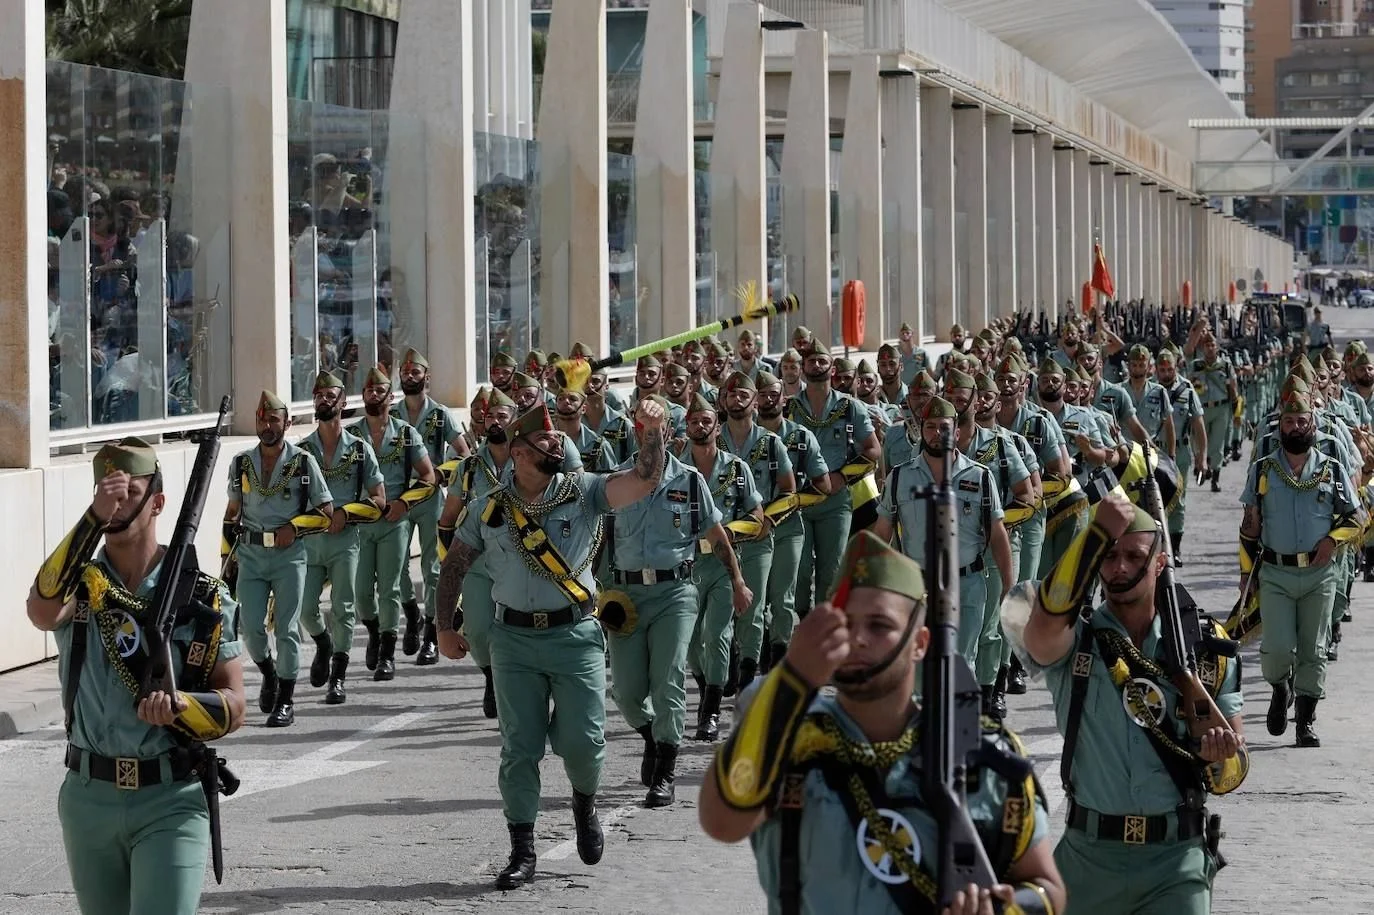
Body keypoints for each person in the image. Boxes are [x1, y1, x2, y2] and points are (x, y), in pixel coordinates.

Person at [699, 530, 1065, 915]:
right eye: (844, 622)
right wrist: (792, 679)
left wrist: (999, 909)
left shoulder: (982, 754)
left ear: (920, 643)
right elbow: (722, 821)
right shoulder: (787, 733)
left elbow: (1047, 888)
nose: (857, 638)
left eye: (878, 626)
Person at [433, 398, 672, 889]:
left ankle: (585, 804)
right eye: (544, 440)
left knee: (582, 744)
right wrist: (443, 625)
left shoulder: (585, 492)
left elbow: (644, 478)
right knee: (519, 749)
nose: (557, 442)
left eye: (557, 437)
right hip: (512, 641)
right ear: (519, 453)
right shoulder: (490, 508)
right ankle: (522, 848)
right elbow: (454, 564)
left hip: (574, 637)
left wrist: (653, 429)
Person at [30, 437, 247, 914]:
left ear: (159, 503)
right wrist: (91, 520)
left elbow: (234, 704)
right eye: (106, 489)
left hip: (170, 796)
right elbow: (43, 609)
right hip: (90, 797)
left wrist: (182, 708)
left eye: (129, 489)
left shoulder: (202, 594)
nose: (116, 498)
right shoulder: (83, 585)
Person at [1026, 491, 1247, 912]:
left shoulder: (1204, 649)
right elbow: (1046, 620)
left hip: (1176, 863)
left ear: (1159, 563)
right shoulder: (1075, 641)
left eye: (1133, 555)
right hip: (1086, 859)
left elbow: (1234, 769)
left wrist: (1219, 753)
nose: (1119, 567)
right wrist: (1093, 534)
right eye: (1108, 556)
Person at [601, 394, 752, 807]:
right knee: (627, 692)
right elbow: (599, 542)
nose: (653, 435)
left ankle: (665, 771)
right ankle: (652, 734)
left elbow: (717, 536)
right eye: (645, 428)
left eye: (660, 428)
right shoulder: (616, 482)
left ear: (670, 433)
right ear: (636, 431)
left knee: (668, 677)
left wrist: (737, 580)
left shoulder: (689, 481)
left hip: (675, 592)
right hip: (626, 595)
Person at [1240, 391, 1364, 747]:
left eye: (1302, 421)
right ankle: (1281, 687)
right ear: (1280, 425)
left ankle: (1306, 722)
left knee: (1314, 649)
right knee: (1277, 648)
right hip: (1276, 573)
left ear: (1313, 424)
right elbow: (1250, 526)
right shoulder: (1262, 470)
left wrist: (1332, 540)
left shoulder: (1332, 467)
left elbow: (1356, 518)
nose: (1296, 427)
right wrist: (1245, 575)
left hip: (1319, 574)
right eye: (1289, 422)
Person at [873, 396, 1010, 669]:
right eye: (931, 427)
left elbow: (997, 534)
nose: (938, 434)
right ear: (921, 432)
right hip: (917, 586)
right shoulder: (899, 478)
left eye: (944, 427)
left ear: (957, 433)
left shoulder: (980, 477)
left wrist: (1008, 585)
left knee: (961, 665)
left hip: (967, 584)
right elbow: (882, 532)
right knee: (919, 664)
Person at [223, 391, 332, 727]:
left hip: (289, 557)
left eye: (274, 419)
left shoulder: (303, 462)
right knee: (251, 629)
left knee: (286, 629)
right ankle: (269, 673)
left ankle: (286, 699)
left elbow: (326, 513)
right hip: (251, 556)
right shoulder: (241, 462)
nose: (267, 425)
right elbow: (232, 514)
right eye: (262, 419)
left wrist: (296, 526)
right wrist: (226, 564)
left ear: (287, 422)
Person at [681, 392, 767, 739]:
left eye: (706, 421)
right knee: (689, 642)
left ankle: (711, 712)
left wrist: (726, 532)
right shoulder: (675, 468)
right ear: (685, 427)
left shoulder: (737, 469)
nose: (700, 426)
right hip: (684, 566)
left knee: (715, 634)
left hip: (721, 563)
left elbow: (757, 518)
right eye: (694, 421)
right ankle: (707, 690)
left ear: (718, 427)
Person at [298, 371, 386, 704]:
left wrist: (346, 513)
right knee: (306, 610)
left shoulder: (360, 450)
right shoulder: (303, 450)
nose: (323, 399)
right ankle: (323, 643)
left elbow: (380, 499)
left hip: (345, 543)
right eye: (318, 394)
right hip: (310, 543)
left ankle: (338, 676)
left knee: (343, 608)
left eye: (329, 394)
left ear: (342, 402)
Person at [349, 368, 436, 681]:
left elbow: (428, 475)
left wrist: (404, 503)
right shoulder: (352, 435)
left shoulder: (405, 433)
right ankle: (373, 631)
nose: (374, 395)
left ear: (390, 396)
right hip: (360, 523)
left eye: (380, 390)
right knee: (361, 593)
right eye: (369, 390)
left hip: (393, 522)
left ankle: (387, 651)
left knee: (389, 588)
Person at [437, 388, 519, 718]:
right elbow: (447, 520)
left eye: (503, 416)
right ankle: (489, 675)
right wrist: (451, 561)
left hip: (522, 562)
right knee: (478, 629)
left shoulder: (529, 461)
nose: (496, 422)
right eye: (490, 417)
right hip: (478, 564)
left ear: (515, 421)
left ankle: (517, 682)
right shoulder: (468, 468)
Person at [788, 333, 880, 615]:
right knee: (799, 572)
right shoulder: (789, 408)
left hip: (836, 502)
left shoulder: (851, 407)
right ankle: (801, 629)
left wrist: (841, 478)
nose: (816, 365)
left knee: (833, 570)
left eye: (822, 361)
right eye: (811, 361)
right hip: (800, 502)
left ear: (832, 368)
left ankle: (828, 630)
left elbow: (873, 450)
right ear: (803, 368)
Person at [720, 371, 796, 693]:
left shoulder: (771, 443)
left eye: (744, 395)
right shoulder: (711, 440)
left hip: (757, 538)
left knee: (754, 607)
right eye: (732, 395)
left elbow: (789, 492)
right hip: (718, 540)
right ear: (723, 401)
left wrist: (768, 522)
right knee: (718, 611)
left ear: (754, 402)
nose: (737, 400)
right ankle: (721, 667)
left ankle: (748, 677)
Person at [393, 349, 469, 663]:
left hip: (430, 497)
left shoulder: (440, 415)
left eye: (416, 372)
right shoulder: (392, 414)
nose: (410, 377)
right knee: (395, 567)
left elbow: (463, 454)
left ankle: (431, 635)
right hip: (398, 499)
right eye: (406, 372)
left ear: (428, 376)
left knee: (433, 569)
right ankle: (411, 615)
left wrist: (439, 472)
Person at [756, 370, 831, 668]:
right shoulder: (738, 438)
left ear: (784, 399)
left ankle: (779, 655)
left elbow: (823, 486)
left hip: (788, 525)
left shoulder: (801, 437)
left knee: (783, 595)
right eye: (762, 394)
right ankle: (754, 653)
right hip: (750, 530)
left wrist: (793, 501)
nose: (769, 399)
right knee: (755, 599)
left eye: (774, 394)